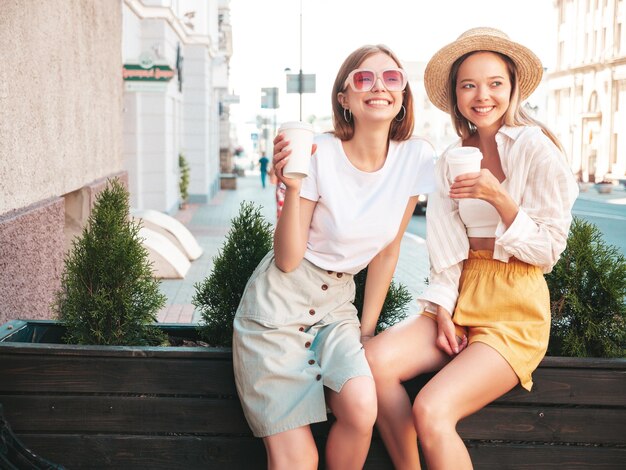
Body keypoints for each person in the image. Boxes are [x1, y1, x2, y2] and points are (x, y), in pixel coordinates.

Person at [364, 27, 579, 469]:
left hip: (514, 309)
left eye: (495, 83)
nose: (483, 96)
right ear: (456, 95)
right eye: (469, 85)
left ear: (512, 89)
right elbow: (446, 252)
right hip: (461, 294)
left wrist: (498, 197)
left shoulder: (536, 150)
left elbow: (548, 251)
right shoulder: (449, 159)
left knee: (431, 409)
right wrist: (443, 309)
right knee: (373, 361)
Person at [232, 44, 436, 469]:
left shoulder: (415, 157)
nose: (379, 86)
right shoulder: (317, 152)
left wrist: (365, 330)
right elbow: (287, 260)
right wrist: (291, 185)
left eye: (392, 77)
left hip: (337, 308)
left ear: (403, 97)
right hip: (278, 308)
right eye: (364, 78)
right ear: (344, 98)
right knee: (298, 460)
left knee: (362, 406)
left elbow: (388, 251)